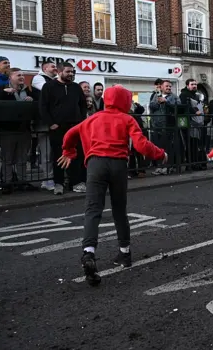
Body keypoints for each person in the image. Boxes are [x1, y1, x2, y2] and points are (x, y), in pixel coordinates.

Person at [57, 85, 168, 286]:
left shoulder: (92, 118)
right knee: (119, 210)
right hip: (118, 165)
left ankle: (89, 252)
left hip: (95, 164)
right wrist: (161, 154)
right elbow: (142, 145)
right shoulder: (127, 119)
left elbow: (70, 134)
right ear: (124, 101)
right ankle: (124, 253)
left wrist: (69, 151)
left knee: (92, 210)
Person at [39, 62, 87, 195]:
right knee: (59, 156)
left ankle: (75, 183)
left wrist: (81, 121)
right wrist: (51, 123)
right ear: (59, 72)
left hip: (75, 127)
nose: (71, 74)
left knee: (76, 156)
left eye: (72, 72)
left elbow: (83, 105)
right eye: (68, 72)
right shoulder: (49, 87)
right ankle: (58, 183)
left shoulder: (76, 87)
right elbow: (43, 107)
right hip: (58, 127)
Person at [0, 68, 37, 194]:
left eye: (23, 75)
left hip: (24, 129)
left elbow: (37, 103)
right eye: (18, 75)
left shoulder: (28, 90)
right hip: (8, 130)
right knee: (7, 158)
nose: (22, 77)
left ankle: (22, 182)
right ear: (10, 77)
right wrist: (3, 93)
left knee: (22, 158)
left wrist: (31, 100)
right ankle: (7, 183)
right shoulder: (2, 89)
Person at [31, 60, 58, 191]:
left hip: (55, 123)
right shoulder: (38, 78)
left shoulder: (54, 80)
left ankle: (52, 178)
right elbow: (49, 91)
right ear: (45, 68)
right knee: (46, 154)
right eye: (52, 67)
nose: (55, 69)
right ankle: (47, 179)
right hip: (44, 124)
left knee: (54, 153)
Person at [149, 80, 178, 175]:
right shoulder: (155, 96)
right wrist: (158, 102)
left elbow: (179, 107)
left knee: (167, 147)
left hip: (168, 126)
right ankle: (159, 167)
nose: (169, 88)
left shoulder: (174, 97)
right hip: (156, 126)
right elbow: (151, 106)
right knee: (158, 147)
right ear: (161, 87)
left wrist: (167, 101)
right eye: (167, 86)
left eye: (170, 86)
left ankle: (167, 167)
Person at [180, 78, 206, 170]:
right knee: (190, 144)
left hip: (197, 123)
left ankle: (196, 163)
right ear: (187, 86)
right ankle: (190, 164)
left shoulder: (196, 95)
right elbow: (185, 107)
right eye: (192, 84)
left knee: (195, 144)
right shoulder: (184, 95)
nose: (194, 86)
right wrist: (195, 112)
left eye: (195, 84)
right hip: (189, 123)